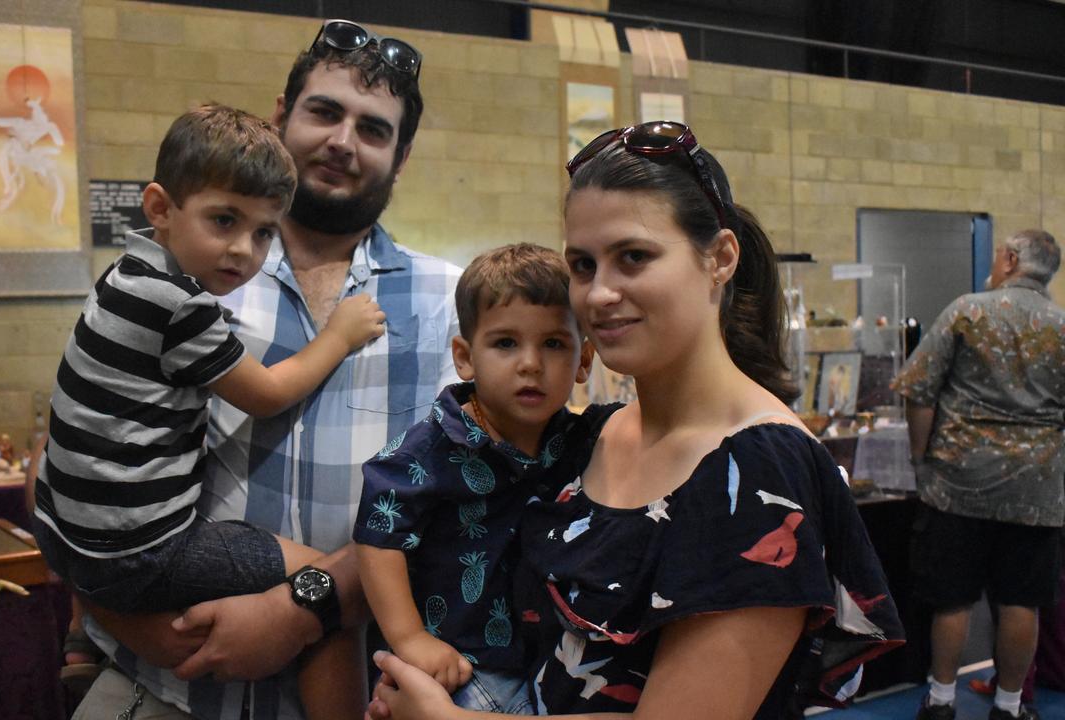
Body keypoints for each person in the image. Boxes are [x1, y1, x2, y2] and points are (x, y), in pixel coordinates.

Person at [367, 121, 904, 720]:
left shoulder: (758, 471)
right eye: (583, 265)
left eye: (633, 257)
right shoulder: (592, 432)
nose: (599, 294)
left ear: (720, 258)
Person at [74, 18, 463, 720]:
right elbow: (77, 460)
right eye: (324, 112)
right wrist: (148, 633)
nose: (343, 142)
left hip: (368, 689)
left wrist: (303, 611)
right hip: (162, 688)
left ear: (400, 159)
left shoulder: (450, 308)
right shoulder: (184, 276)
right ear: (281, 117)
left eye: (374, 130)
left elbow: (468, 507)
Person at [32, 103, 385, 718]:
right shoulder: (180, 305)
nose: (243, 251)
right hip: (138, 551)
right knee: (327, 593)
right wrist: (340, 334)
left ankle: (82, 632)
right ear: (161, 208)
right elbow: (268, 392)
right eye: (224, 220)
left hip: (62, 526)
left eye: (262, 231)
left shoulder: (127, 275)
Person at [355, 244, 593, 713]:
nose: (530, 363)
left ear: (585, 361)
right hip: (457, 664)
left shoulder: (583, 439)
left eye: (554, 343)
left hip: (545, 661)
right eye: (505, 343)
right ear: (465, 356)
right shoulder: (431, 449)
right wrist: (409, 637)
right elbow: (377, 536)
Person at [893, 229, 1065, 720]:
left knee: (952, 599)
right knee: (1021, 602)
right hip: (1036, 491)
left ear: (1010, 259)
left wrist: (921, 457)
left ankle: (942, 699)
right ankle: (1010, 706)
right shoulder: (1062, 325)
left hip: (957, 485)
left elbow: (919, 390)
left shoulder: (967, 310)